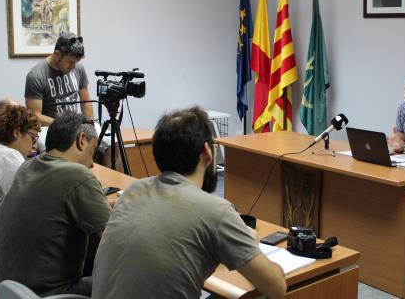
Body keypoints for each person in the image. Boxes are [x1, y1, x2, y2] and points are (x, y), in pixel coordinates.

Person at [92, 106, 286, 299]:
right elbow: (277, 288)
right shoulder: (215, 210)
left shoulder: (132, 192)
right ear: (207, 152)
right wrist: (251, 244)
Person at [0, 111, 111, 297]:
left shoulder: (28, 166)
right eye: (93, 151)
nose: (91, 163)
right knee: (127, 282)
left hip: (8, 289)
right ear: (82, 139)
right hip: (50, 293)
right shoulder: (78, 175)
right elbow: (113, 235)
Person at [24, 33, 117, 167]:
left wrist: (89, 123)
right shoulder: (36, 75)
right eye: (70, 62)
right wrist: (67, 124)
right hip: (50, 127)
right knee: (55, 155)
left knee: (112, 145)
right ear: (57, 54)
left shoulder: (78, 69)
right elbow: (35, 116)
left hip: (78, 123)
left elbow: (86, 101)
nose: (74, 66)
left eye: (76, 62)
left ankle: (113, 185)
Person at [0, 105, 40, 210]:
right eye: (33, 137)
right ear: (16, 132)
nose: (34, 145)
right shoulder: (8, 156)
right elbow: (27, 201)